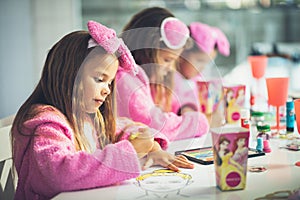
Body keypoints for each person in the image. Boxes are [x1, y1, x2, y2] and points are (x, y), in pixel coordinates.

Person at [11, 20, 194, 200]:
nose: (107, 89)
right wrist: (129, 152)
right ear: (69, 74)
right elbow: (59, 173)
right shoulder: (47, 125)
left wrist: (148, 143)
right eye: (99, 79)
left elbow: (121, 127)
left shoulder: (87, 118)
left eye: (109, 82)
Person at [116, 7, 209, 141]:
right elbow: (156, 125)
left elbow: (180, 99)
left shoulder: (159, 77)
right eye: (167, 60)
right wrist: (197, 122)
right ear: (147, 51)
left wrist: (185, 108)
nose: (171, 67)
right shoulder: (125, 80)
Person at [172, 22, 230, 127]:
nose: (202, 67)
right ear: (181, 54)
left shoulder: (197, 82)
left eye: (206, 63)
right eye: (199, 61)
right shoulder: (172, 81)